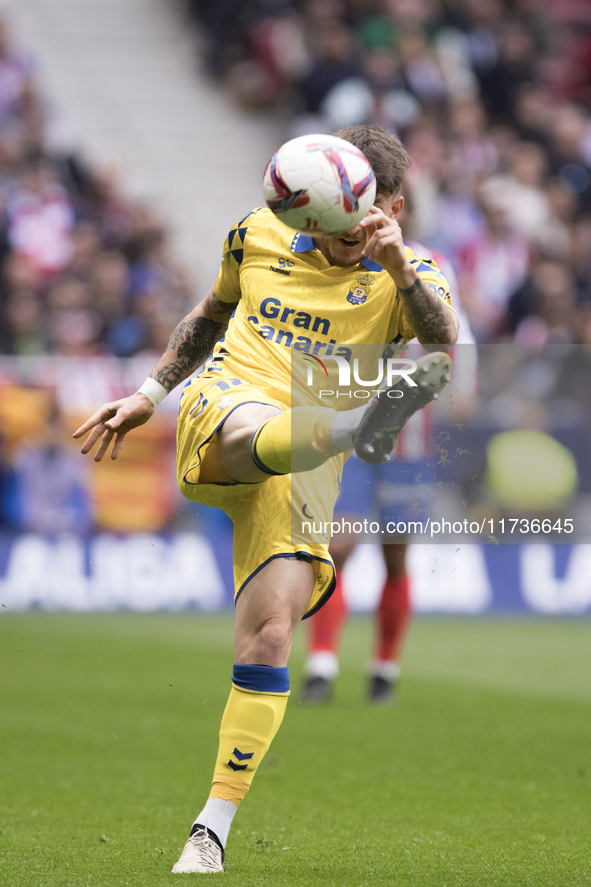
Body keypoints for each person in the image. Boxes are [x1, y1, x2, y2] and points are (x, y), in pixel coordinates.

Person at [73, 125, 458, 874]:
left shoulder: (411, 271)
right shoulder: (257, 232)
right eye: (320, 225)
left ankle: (208, 829)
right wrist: (150, 393)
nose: (331, 236)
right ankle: (345, 424)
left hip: (306, 463)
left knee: (268, 639)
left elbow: (442, 344)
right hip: (233, 401)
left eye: (351, 226)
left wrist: (394, 268)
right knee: (257, 430)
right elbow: (212, 312)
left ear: (389, 207)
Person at [302, 243, 478, 705]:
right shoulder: (341, 259)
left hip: (409, 445)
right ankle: (321, 668)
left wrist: (460, 384)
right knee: (337, 547)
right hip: (349, 436)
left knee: (395, 557)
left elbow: (456, 336)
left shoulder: (429, 263)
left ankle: (384, 670)